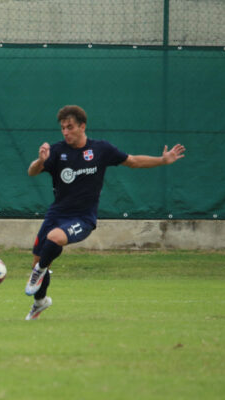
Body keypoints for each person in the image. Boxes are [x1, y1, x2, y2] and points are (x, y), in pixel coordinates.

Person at [24, 105, 186, 320]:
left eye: (70, 127)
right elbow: (32, 172)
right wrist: (41, 160)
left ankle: (39, 272)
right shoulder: (57, 151)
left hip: (82, 218)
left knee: (53, 242)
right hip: (56, 214)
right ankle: (40, 302)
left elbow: (133, 162)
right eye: (63, 128)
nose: (65, 132)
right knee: (39, 259)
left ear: (82, 126)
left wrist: (162, 159)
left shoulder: (101, 150)